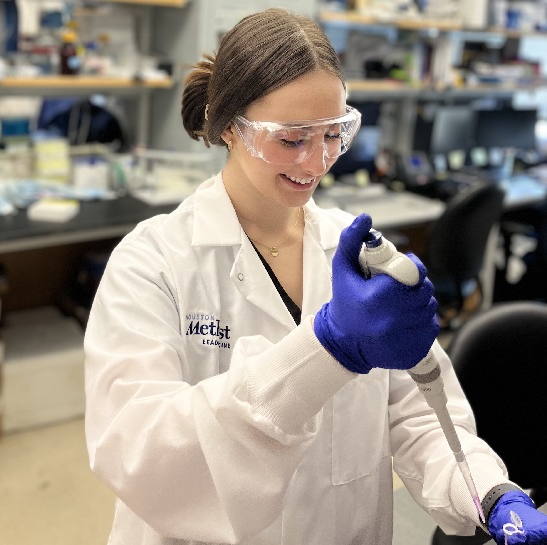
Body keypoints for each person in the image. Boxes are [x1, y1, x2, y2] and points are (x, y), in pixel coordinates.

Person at [84, 8, 547, 545]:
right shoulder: (153, 262)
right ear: (231, 127)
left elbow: (419, 416)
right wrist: (325, 351)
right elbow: (140, 454)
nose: (316, 161)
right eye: (291, 138)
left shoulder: (361, 255)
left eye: (333, 133)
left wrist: (489, 493)